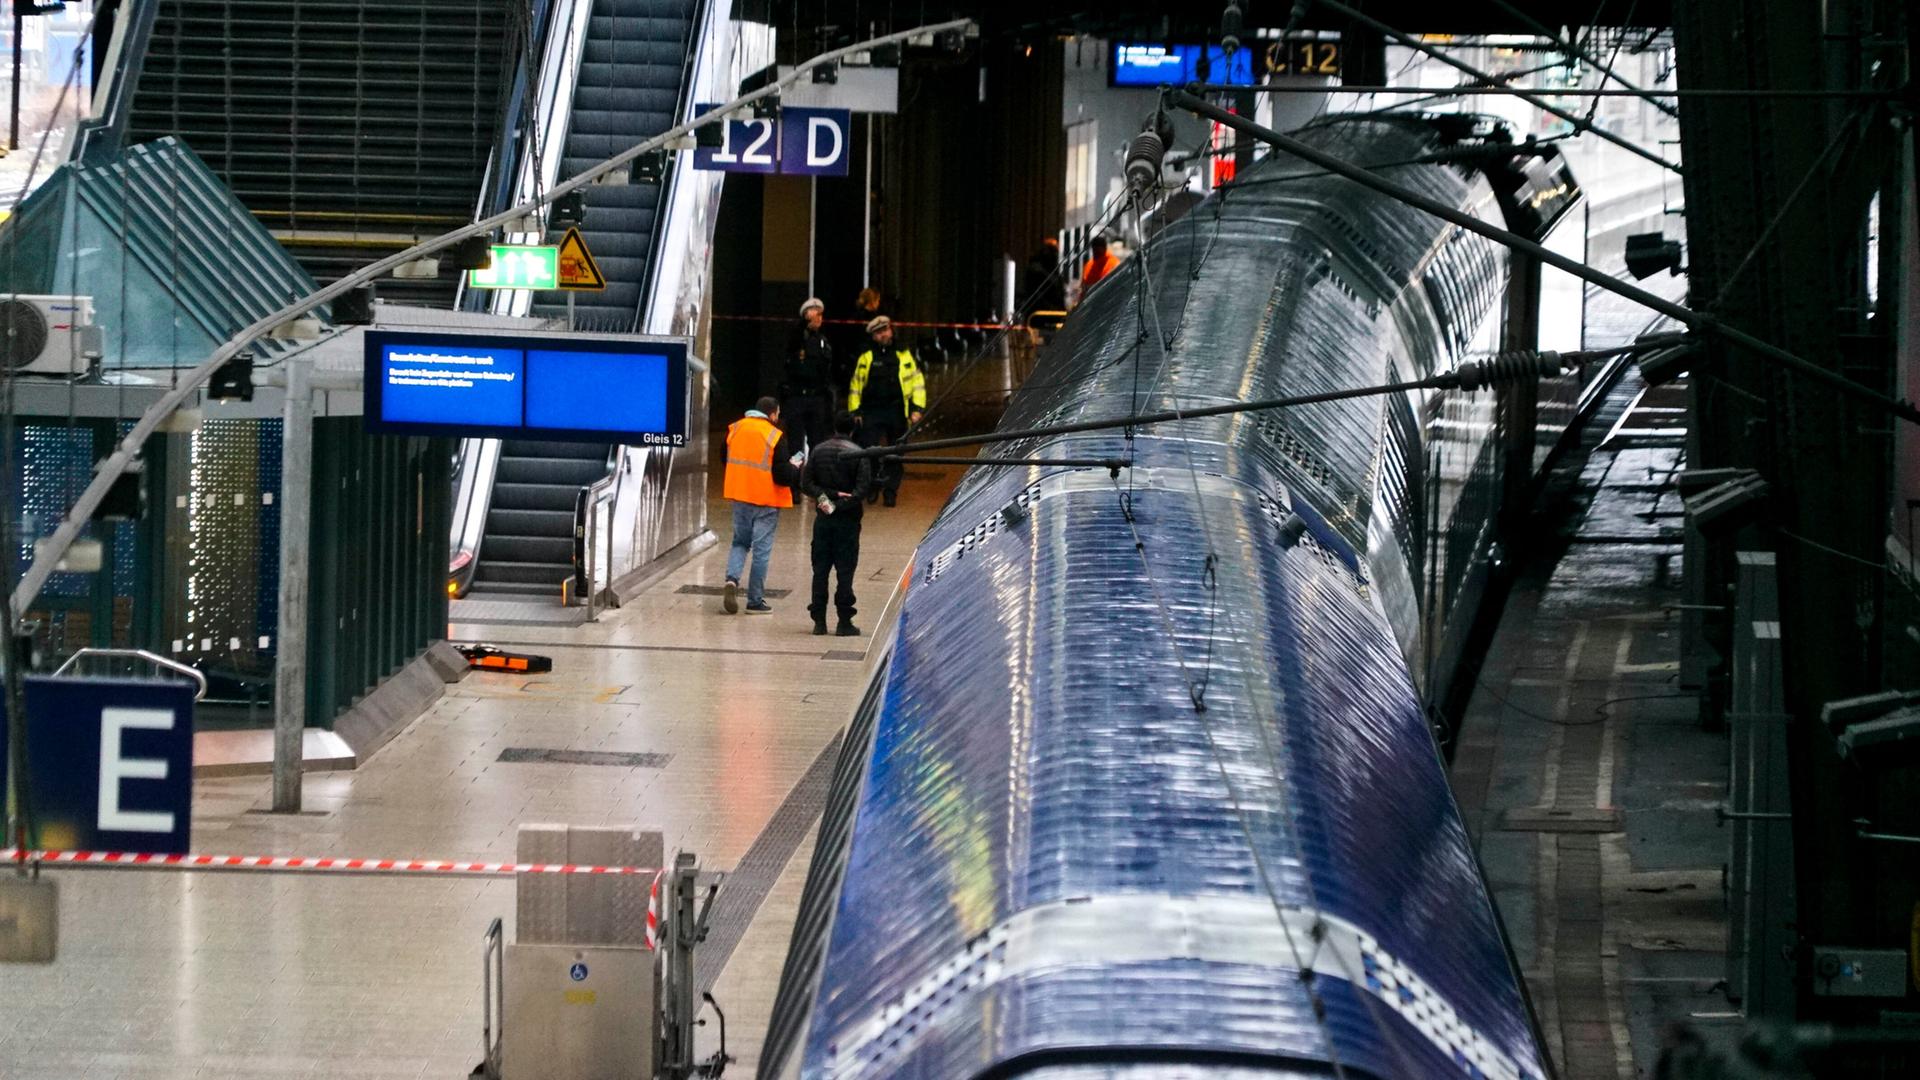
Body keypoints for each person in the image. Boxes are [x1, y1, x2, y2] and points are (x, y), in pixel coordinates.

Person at [721, 397, 803, 615]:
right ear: (773, 414)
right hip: (766, 501)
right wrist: (795, 467)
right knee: (761, 551)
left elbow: (724, 458)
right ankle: (755, 601)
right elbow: (782, 475)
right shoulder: (775, 436)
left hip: (740, 496)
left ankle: (731, 580)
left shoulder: (735, 428)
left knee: (740, 542)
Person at [800, 410, 873, 637]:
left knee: (820, 571)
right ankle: (844, 621)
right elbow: (862, 490)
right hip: (848, 523)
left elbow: (806, 483)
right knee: (845, 572)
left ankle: (819, 621)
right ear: (852, 429)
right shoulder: (858, 454)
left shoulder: (819, 450)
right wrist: (840, 505)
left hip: (823, 522)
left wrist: (825, 501)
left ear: (834, 427)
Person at [846, 315, 926, 508]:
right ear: (873, 336)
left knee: (896, 454)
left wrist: (916, 408)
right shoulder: (866, 357)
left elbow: (917, 382)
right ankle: (873, 484)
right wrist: (855, 411)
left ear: (891, 330)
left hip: (897, 410)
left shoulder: (903, 354)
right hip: (872, 411)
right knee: (869, 451)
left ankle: (891, 491)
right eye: (879, 332)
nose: (884, 334)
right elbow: (856, 385)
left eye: (886, 330)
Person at [783, 297, 834, 452]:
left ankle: (814, 475)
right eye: (815, 315)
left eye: (820, 315)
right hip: (797, 397)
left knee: (817, 444)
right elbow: (793, 341)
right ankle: (796, 475)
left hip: (816, 398)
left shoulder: (822, 341)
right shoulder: (797, 337)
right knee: (795, 445)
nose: (819, 318)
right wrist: (804, 322)